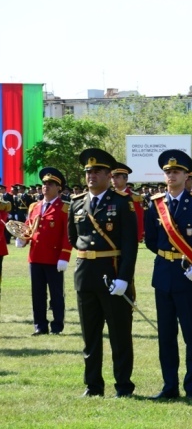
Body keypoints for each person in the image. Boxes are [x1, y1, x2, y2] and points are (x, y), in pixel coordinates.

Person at [144, 150, 192, 400]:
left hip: (188, 276)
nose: (171, 175)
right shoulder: (155, 204)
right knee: (166, 335)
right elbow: (152, 242)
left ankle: (191, 387)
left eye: (176, 171)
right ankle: (169, 386)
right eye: (168, 171)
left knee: (190, 335)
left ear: (187, 175)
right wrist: (170, 257)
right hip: (164, 275)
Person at [68, 148, 138, 397]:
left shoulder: (121, 203)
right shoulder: (77, 203)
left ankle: (123, 386)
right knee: (90, 336)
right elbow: (74, 239)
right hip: (85, 275)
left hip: (113, 275)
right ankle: (93, 386)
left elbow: (130, 246)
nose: (91, 175)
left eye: (97, 171)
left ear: (109, 175)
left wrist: (124, 278)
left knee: (119, 336)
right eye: (88, 171)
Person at [16, 168, 72, 335]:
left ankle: (57, 325)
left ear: (58, 188)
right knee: (37, 294)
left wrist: (64, 256)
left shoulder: (64, 208)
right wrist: (22, 238)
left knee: (56, 294)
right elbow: (28, 226)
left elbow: (67, 235)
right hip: (35, 257)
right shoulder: (34, 206)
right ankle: (40, 326)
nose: (46, 187)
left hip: (54, 258)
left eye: (50, 184)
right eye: (44, 184)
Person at [111, 163, 145, 242]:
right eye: (112, 177)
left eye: (117, 177)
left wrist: (137, 238)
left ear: (126, 179)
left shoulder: (134, 197)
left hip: (128, 239)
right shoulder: (109, 196)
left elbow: (139, 219)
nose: (114, 180)